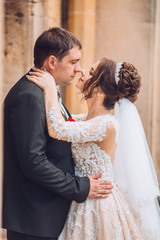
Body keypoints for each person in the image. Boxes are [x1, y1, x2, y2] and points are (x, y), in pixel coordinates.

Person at [27, 57, 160, 239]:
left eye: (91, 72)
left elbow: (57, 128)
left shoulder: (107, 125)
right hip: (80, 197)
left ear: (100, 89)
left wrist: (50, 87)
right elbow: (58, 121)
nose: (82, 72)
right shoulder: (84, 120)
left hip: (98, 205)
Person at [2, 27, 113, 240]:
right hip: (35, 221)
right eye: (73, 62)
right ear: (52, 62)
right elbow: (33, 162)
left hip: (47, 217)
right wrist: (81, 186)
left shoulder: (45, 91)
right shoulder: (29, 96)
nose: (79, 69)